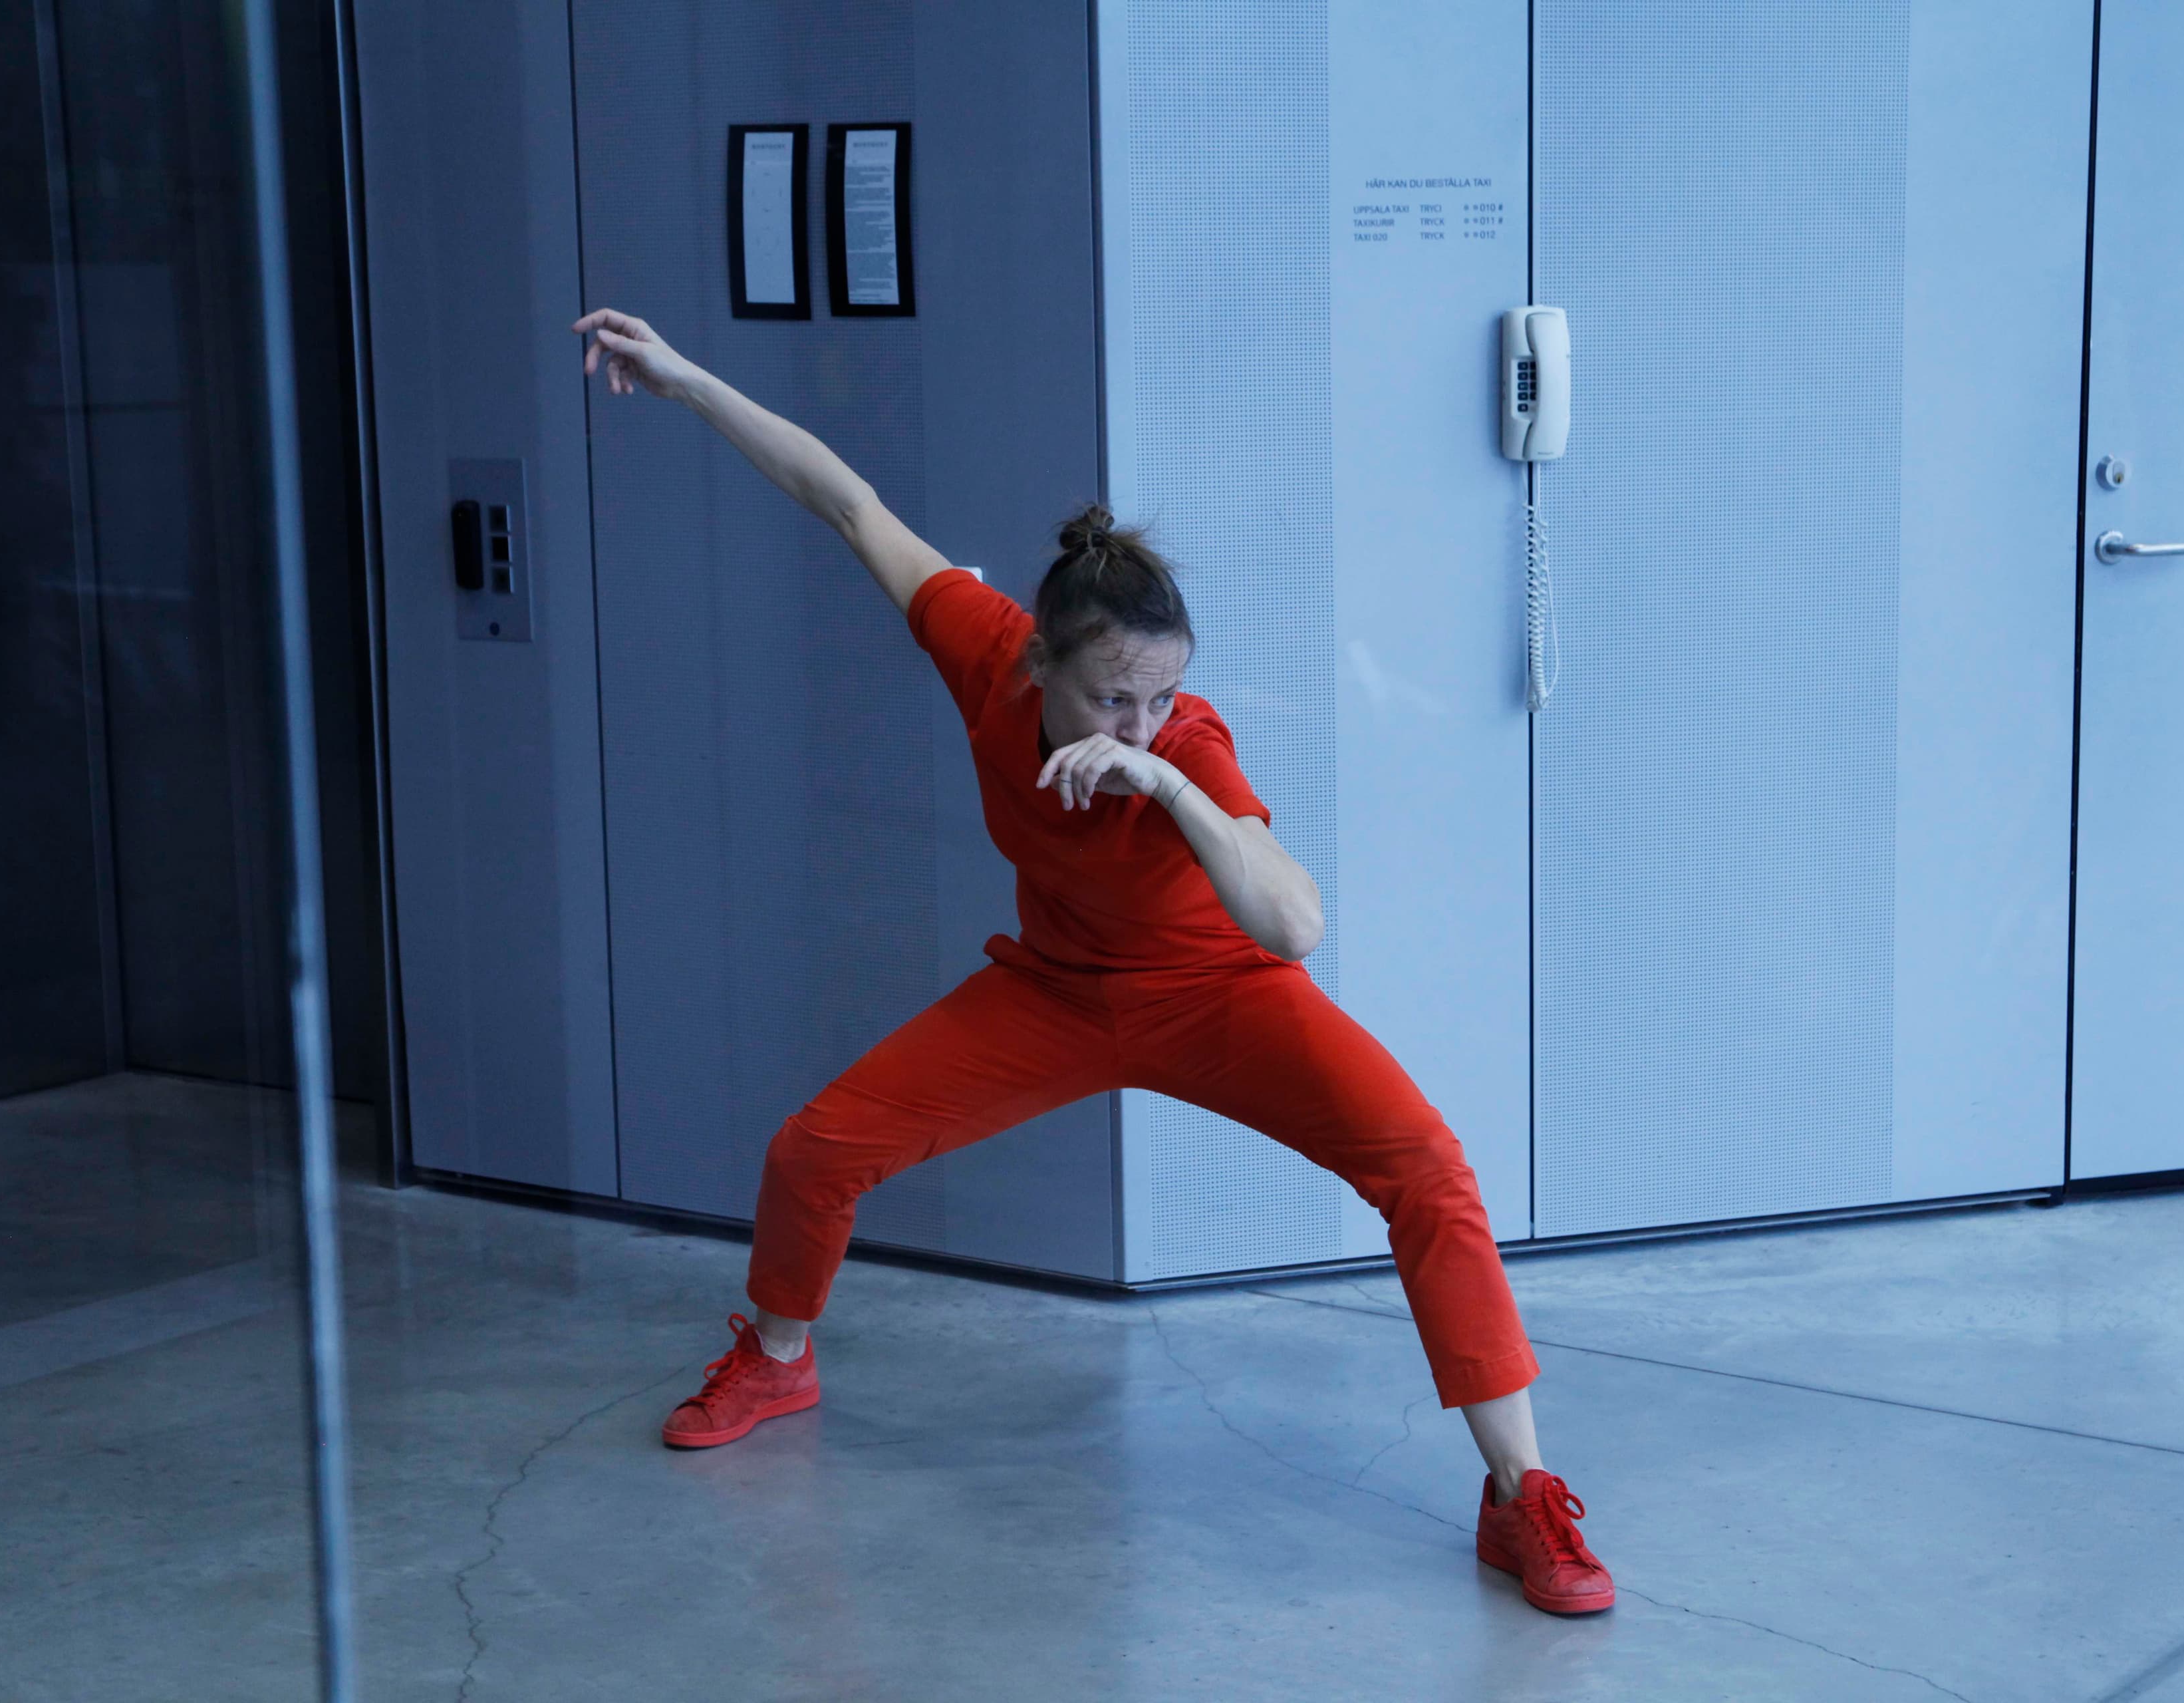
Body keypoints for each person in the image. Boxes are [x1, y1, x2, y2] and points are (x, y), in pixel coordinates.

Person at [573, 307, 1614, 1615]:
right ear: (1037, 658)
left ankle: (1520, 1496)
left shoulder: (1187, 746)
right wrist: (686, 381)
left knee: (1426, 1167)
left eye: (1161, 696)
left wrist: (1161, 777)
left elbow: (1291, 926)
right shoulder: (983, 652)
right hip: (1053, 995)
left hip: (1219, 1001)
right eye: (1111, 697)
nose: (1138, 718)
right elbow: (846, 501)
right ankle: (779, 1355)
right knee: (814, 1149)